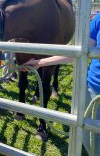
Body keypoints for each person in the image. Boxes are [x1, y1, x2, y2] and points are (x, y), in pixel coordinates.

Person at [22, 13, 100, 156]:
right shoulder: (99, 18)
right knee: (89, 139)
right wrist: (41, 62)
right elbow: (79, 52)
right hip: (92, 88)